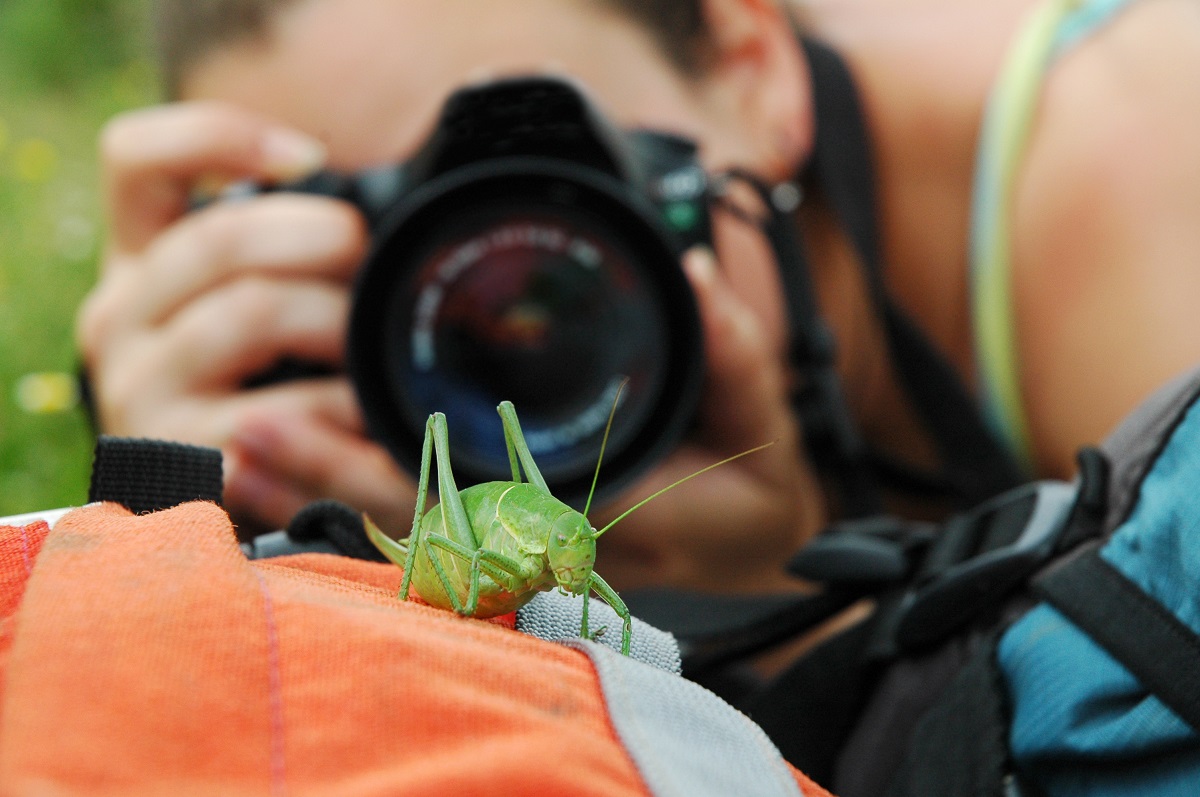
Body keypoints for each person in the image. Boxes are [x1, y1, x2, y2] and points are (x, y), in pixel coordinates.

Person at [75, 0, 1200, 597]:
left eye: (545, 200)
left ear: (751, 55)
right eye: (397, 246)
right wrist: (191, 503)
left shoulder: (1141, 178)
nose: (511, 327)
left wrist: (773, 612)